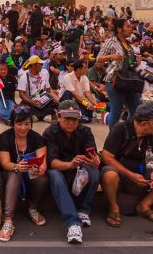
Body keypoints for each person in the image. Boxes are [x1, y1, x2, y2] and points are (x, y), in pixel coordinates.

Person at [100, 103, 153, 227]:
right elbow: (106, 157)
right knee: (109, 175)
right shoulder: (121, 129)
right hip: (121, 174)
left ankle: (144, 205)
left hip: (140, 173)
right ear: (144, 123)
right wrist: (130, 175)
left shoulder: (152, 133)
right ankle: (113, 208)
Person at [44, 99, 100, 244]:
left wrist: (93, 159)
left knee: (94, 172)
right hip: (61, 169)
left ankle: (83, 210)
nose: (71, 123)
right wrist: (70, 164)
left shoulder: (85, 131)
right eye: (67, 119)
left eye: (74, 119)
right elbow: (52, 162)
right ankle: (72, 223)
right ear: (59, 116)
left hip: (79, 168)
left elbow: (92, 154)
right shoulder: (50, 132)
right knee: (55, 176)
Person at [0, 104, 48, 241]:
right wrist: (17, 166)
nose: (23, 128)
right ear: (12, 124)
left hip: (30, 173)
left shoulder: (36, 138)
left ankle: (32, 207)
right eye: (19, 124)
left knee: (42, 178)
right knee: (15, 173)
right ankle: (8, 220)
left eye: (26, 124)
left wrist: (39, 169)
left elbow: (43, 164)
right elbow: (5, 164)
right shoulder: (4, 138)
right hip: (9, 173)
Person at [17, 56, 57, 120]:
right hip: (30, 101)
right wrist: (32, 102)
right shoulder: (24, 77)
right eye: (40, 64)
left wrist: (56, 99)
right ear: (33, 65)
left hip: (43, 100)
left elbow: (48, 90)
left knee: (54, 103)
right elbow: (21, 94)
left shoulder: (43, 74)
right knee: (23, 105)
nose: (42, 66)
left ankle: (38, 116)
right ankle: (43, 115)